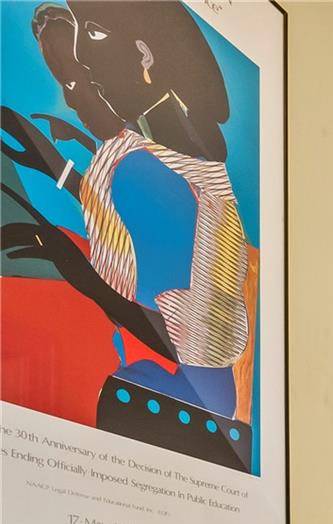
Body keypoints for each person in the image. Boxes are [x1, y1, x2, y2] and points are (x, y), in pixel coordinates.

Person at [1, 1, 254, 472]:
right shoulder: (157, 159)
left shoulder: (171, 182)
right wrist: (52, 166)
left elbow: (167, 331)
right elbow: (126, 208)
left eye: (91, 37)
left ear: (146, 56)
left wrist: (64, 258)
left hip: (182, 399)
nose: (81, 61)